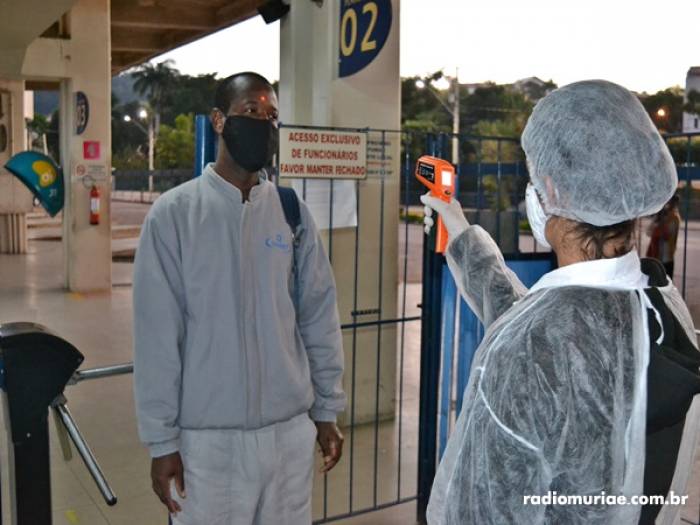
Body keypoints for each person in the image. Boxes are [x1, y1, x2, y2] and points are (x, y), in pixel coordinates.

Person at [422, 80, 700, 524]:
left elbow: (477, 513)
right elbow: (545, 332)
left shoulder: (532, 345)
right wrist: (459, 230)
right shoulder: (660, 306)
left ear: (552, 188)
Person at [133, 72, 346, 525]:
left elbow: (318, 316)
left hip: (288, 435)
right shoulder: (174, 215)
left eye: (271, 115)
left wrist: (325, 408)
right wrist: (161, 441)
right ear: (218, 120)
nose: (263, 123)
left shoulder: (292, 213)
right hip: (208, 444)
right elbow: (157, 337)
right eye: (250, 111)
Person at [646, 194, 681, 278]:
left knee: (666, 282)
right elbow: (648, 232)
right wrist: (657, 220)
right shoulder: (661, 216)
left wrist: (661, 221)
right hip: (656, 256)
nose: (668, 205)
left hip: (666, 257)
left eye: (670, 203)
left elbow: (666, 235)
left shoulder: (674, 218)